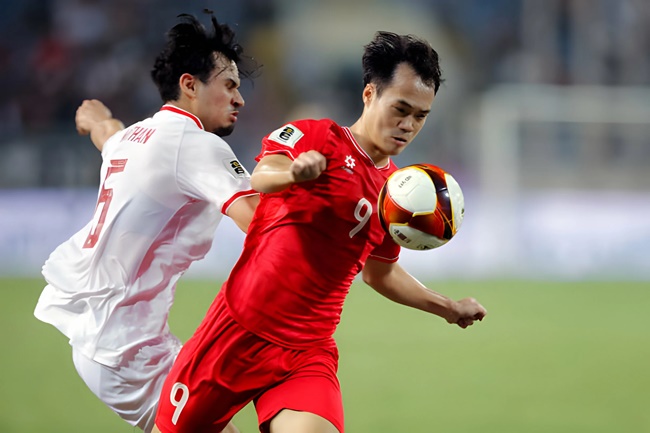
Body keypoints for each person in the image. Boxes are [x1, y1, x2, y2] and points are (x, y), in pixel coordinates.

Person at [153, 31, 487, 433]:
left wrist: (447, 307)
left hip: (307, 352)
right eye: (400, 109)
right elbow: (263, 175)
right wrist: (295, 172)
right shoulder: (318, 137)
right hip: (236, 334)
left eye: (420, 116)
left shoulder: (397, 194)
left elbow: (380, 272)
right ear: (369, 94)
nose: (407, 125)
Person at [33, 13, 259, 433]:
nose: (239, 99)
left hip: (105, 336)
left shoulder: (133, 138)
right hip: (127, 350)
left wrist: (94, 117)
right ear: (190, 85)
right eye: (229, 85)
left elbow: (107, 134)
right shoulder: (195, 144)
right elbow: (263, 223)